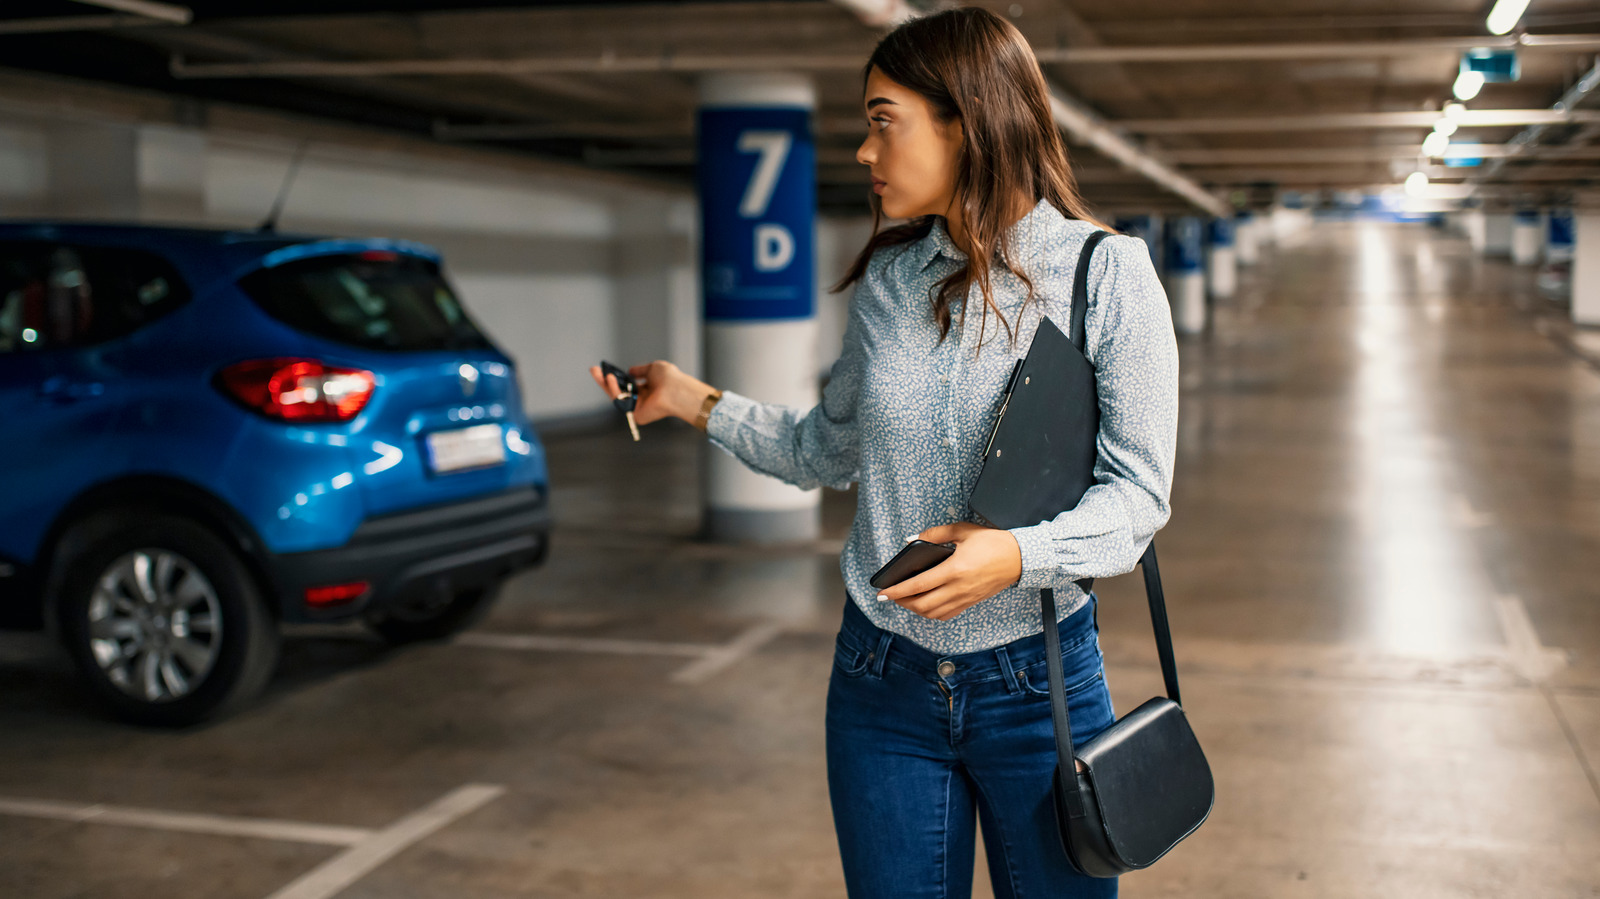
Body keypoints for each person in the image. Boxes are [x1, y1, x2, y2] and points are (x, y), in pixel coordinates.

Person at [589, 8, 1177, 897]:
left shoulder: (1106, 274)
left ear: (966, 120)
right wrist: (691, 398)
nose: (864, 152)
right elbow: (821, 450)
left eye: (881, 119)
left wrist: (1017, 554)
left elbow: (1138, 498)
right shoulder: (892, 283)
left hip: (1037, 683)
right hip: (880, 682)